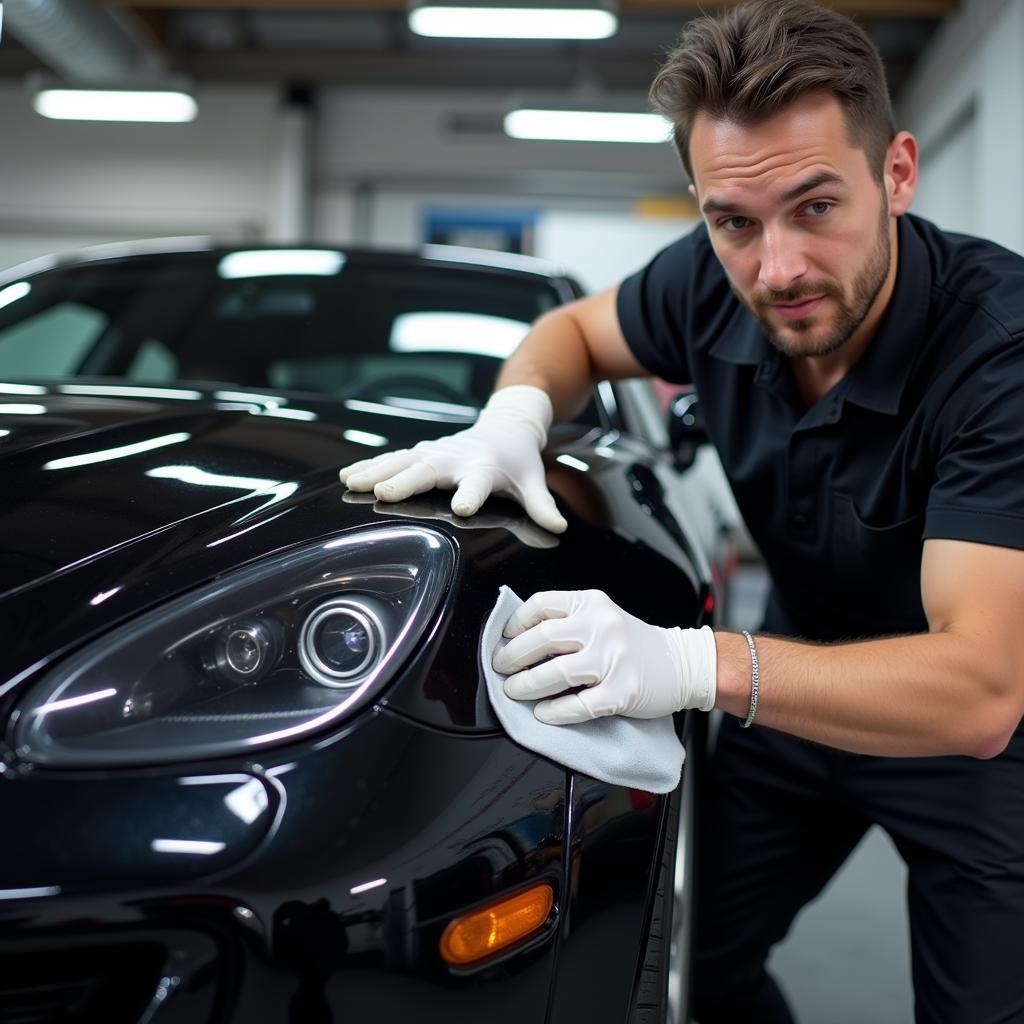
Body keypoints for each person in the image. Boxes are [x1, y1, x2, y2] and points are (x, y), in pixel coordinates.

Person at [339, 0, 1024, 1019]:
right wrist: (513, 417)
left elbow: (978, 689)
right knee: (684, 966)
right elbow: (571, 330)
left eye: (815, 207)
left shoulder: (996, 352)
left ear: (897, 173)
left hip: (967, 734)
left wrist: (690, 664)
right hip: (797, 694)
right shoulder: (711, 283)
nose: (776, 267)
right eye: (733, 221)